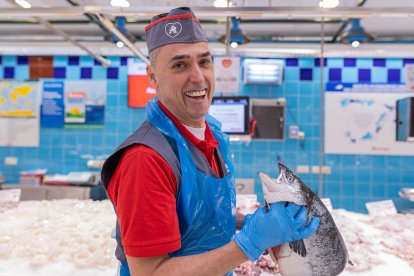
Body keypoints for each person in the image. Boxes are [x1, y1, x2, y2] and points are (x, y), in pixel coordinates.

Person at [101, 7, 320, 276]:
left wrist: (249, 223)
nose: (198, 77)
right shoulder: (145, 160)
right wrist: (250, 242)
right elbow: (150, 273)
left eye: (204, 62)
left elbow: (197, 219)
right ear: (153, 77)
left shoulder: (211, 135)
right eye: (179, 64)